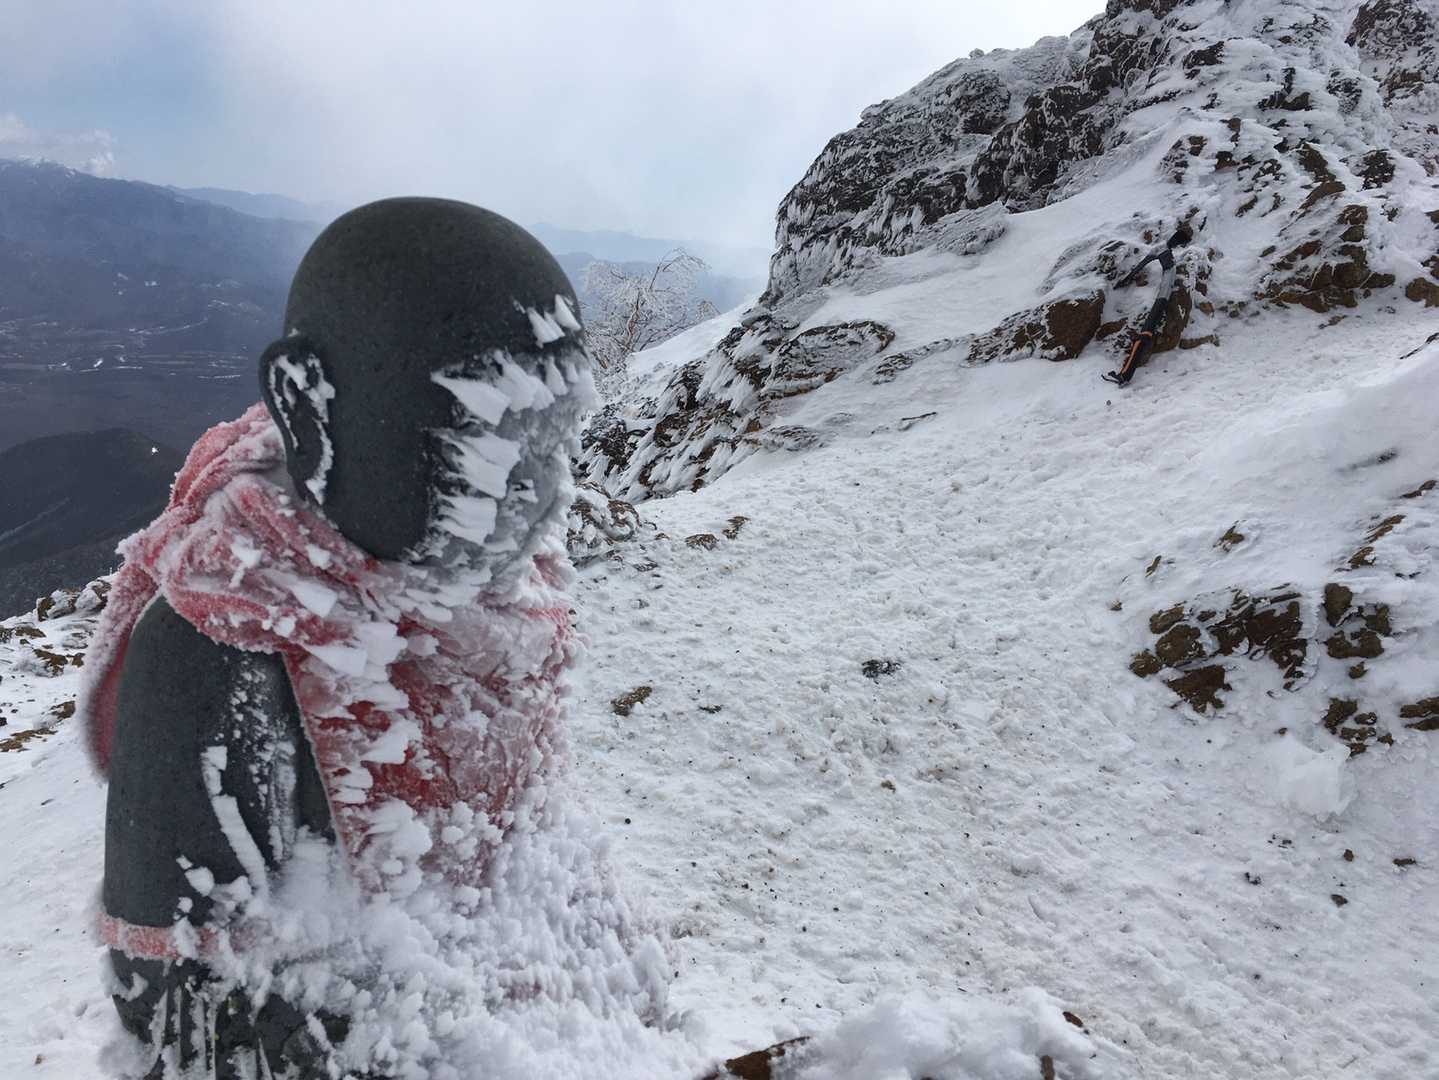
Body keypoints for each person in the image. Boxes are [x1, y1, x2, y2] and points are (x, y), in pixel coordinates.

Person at [82, 198, 609, 1078]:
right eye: (485, 445)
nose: (543, 496)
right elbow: (175, 1005)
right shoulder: (225, 647)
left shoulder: (514, 599)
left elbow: (532, 850)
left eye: (552, 446)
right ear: (306, 404)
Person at [1103, 223, 1193, 386]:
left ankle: (1125, 375)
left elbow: (1143, 264)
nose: (1180, 245)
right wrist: (1127, 278)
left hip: (1164, 296)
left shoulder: (1163, 250)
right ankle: (1125, 375)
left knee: (1146, 334)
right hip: (1163, 296)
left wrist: (1127, 278)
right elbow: (1143, 263)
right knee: (1145, 334)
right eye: (1181, 242)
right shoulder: (1163, 250)